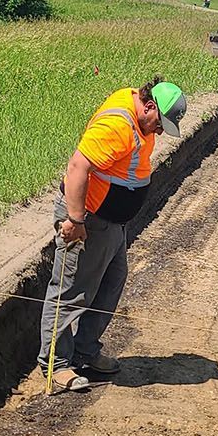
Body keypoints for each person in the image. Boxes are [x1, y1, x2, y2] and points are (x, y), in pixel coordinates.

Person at [34, 78, 187, 393]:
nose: (160, 131)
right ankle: (55, 365)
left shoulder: (138, 117)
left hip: (112, 225)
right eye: (160, 123)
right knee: (70, 290)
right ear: (148, 105)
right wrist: (75, 220)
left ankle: (85, 350)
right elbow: (78, 166)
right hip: (88, 219)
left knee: (111, 284)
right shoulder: (118, 125)